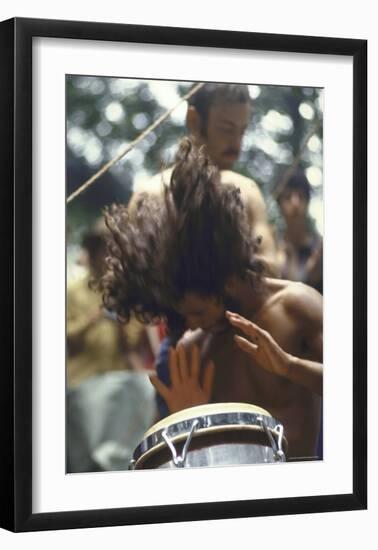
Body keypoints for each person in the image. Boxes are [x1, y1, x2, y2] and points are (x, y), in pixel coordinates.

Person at [99, 139, 323, 461]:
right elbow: (170, 468)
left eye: (197, 311)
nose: (191, 324)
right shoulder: (193, 351)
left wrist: (289, 366)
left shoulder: (296, 307)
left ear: (224, 278)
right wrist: (186, 420)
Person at [130, 83, 278, 272]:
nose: (236, 143)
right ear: (194, 120)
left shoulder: (246, 191)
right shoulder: (150, 194)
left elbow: (271, 268)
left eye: (242, 131)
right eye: (226, 129)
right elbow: (131, 277)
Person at [66, 221, 156, 472]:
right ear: (91, 253)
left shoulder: (124, 291)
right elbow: (65, 336)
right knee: (83, 460)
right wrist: (94, 318)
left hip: (119, 386)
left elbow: (134, 338)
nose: (105, 258)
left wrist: (118, 320)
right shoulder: (71, 291)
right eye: (101, 251)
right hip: (82, 384)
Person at [276, 168, 323, 293]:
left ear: (308, 201)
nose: (295, 203)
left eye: (301, 196)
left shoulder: (320, 247)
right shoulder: (271, 247)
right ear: (279, 203)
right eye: (288, 196)